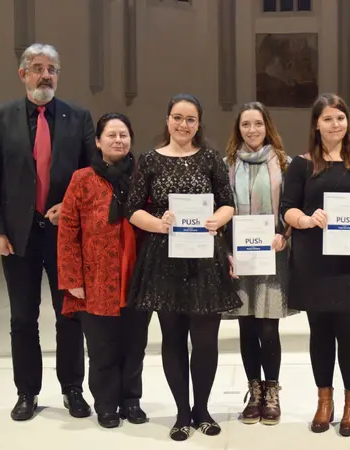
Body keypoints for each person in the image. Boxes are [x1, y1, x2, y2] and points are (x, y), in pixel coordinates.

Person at [0, 43, 95, 421]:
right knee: (23, 318)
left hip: (65, 235)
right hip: (18, 236)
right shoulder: (0, 116)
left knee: (70, 315)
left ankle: (73, 389)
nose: (46, 75)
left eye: (53, 69)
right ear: (23, 74)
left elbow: (91, 177)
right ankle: (26, 391)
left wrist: (74, 209)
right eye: (39, 68)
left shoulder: (78, 116)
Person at [125, 93, 242, 441]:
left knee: (205, 341)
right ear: (167, 119)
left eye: (190, 119)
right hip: (164, 260)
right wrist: (159, 223)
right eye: (178, 117)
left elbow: (228, 203)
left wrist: (215, 220)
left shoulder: (210, 159)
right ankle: (181, 413)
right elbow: (133, 209)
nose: (183, 125)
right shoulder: (148, 160)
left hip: (205, 258)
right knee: (173, 339)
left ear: (198, 124)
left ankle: (202, 409)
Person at [280, 93, 350, 437]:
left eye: (340, 118)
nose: (335, 124)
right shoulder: (302, 164)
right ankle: (325, 401)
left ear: (347, 122)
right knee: (320, 334)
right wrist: (306, 220)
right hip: (313, 262)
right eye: (328, 119)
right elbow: (287, 209)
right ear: (316, 124)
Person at [57, 113, 151, 429]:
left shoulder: (143, 175)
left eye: (123, 134)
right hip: (96, 279)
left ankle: (131, 400)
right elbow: (68, 228)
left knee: (135, 345)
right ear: (98, 141)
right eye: (111, 135)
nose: (118, 140)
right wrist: (72, 279)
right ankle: (107, 404)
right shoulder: (82, 179)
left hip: (137, 276)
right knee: (102, 348)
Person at [223, 101, 296, 426]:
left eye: (257, 123)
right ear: (238, 129)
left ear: (267, 126)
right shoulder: (226, 166)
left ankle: (272, 391)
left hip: (273, 255)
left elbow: (295, 207)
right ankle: (253, 391)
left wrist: (286, 236)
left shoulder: (285, 163)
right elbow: (220, 211)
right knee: (246, 325)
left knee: (269, 327)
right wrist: (224, 251)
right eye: (245, 125)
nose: (252, 130)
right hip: (239, 258)